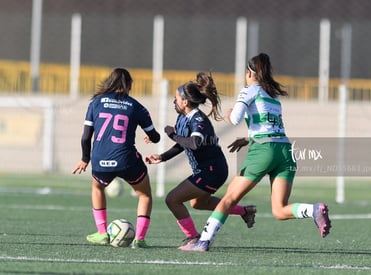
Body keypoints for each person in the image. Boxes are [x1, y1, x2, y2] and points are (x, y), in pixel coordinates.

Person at [181, 53, 332, 252]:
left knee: (228, 200)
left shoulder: (250, 90)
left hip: (264, 151)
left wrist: (228, 114)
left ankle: (203, 242)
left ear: (250, 73)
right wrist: (247, 139)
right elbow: (270, 126)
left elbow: (235, 119)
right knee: (279, 210)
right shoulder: (273, 94)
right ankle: (313, 210)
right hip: (285, 151)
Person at [145, 72, 256, 249]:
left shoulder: (198, 120)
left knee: (172, 199)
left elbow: (194, 143)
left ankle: (193, 238)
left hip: (213, 170)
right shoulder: (183, 117)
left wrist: (172, 134)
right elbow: (184, 144)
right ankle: (245, 211)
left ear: (185, 102)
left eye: (176, 98)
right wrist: (162, 157)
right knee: (198, 203)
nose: (174, 102)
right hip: (207, 170)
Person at [72, 68, 160, 249]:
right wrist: (151, 137)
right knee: (144, 195)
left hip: (100, 159)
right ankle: (140, 239)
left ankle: (102, 233)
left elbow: (85, 137)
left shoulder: (95, 103)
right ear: (129, 85)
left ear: (110, 83)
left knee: (97, 187)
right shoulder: (136, 106)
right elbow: (156, 137)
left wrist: (84, 159)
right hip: (127, 159)